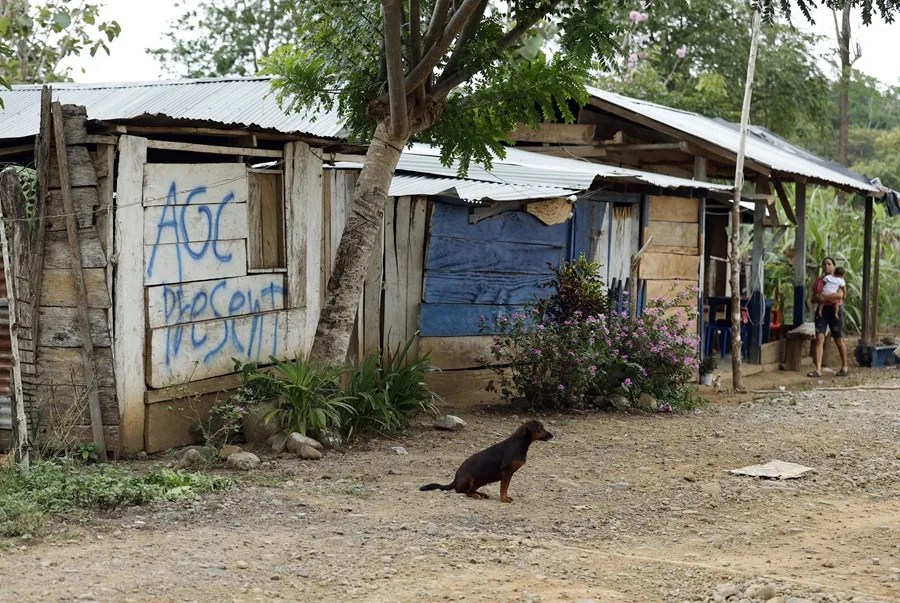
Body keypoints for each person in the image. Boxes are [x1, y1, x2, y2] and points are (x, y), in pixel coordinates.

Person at [808, 257, 848, 378]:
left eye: (829, 264)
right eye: (824, 264)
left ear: (834, 266)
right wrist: (821, 299)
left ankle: (844, 366)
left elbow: (840, 295)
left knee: (838, 339)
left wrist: (824, 298)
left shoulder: (839, 279)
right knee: (819, 339)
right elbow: (814, 298)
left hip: (834, 311)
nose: (826, 266)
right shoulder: (819, 281)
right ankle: (818, 369)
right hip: (822, 312)